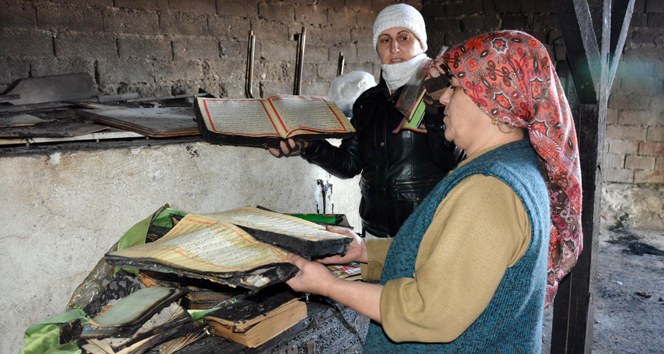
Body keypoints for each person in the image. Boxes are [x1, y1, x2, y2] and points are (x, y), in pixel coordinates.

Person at [285, 30, 583, 353]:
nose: (442, 99)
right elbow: (443, 252)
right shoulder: (513, 163)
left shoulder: (490, 191)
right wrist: (366, 252)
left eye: (455, 89)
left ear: (493, 102)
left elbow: (426, 311)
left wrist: (328, 285)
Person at [269, 4, 460, 238]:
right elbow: (349, 164)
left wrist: (435, 110)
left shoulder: (444, 90)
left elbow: (451, 158)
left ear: (422, 43)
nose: (395, 47)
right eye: (385, 40)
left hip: (427, 231)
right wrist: (310, 145)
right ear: (377, 47)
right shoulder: (368, 102)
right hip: (374, 232)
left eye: (404, 37)